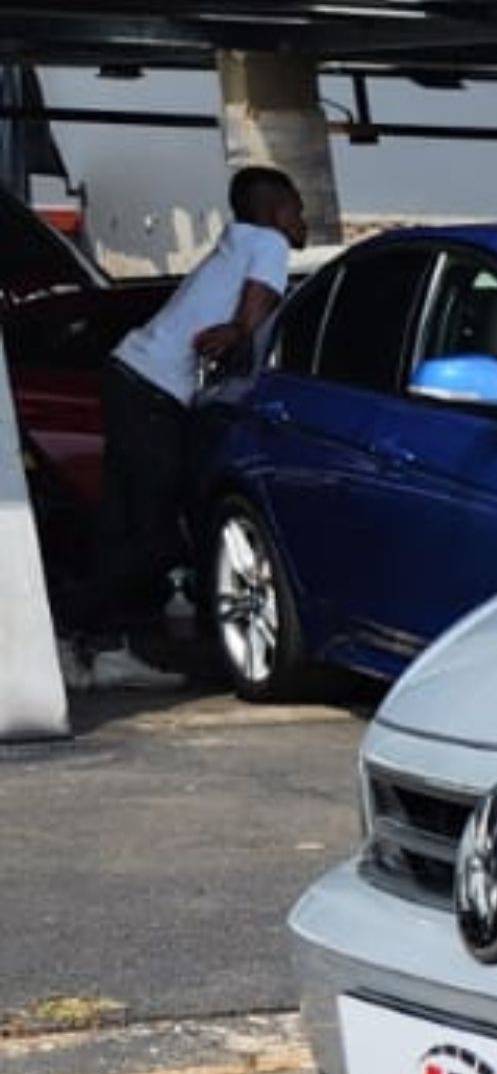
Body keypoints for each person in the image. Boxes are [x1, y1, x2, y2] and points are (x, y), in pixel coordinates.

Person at [88, 164, 307, 685]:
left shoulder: (238, 239)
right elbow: (252, 328)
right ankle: (90, 632)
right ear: (277, 211)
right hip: (155, 390)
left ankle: (96, 647)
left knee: (123, 524)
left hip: (127, 373)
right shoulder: (270, 245)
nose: (304, 221)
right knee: (158, 534)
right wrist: (238, 333)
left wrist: (232, 330)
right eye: (298, 209)